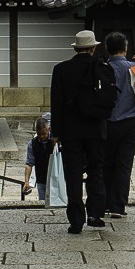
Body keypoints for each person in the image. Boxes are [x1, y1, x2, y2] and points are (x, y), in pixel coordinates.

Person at [50, 30, 113, 233]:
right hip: (96, 127)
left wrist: (56, 132)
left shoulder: (61, 69)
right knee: (96, 170)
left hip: (71, 130)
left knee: (73, 173)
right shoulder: (102, 67)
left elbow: (56, 103)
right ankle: (95, 214)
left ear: (76, 48)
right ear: (93, 48)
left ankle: (76, 220)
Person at [100, 31, 135, 218]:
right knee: (124, 165)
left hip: (107, 122)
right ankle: (118, 206)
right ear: (125, 48)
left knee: (106, 163)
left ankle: (105, 202)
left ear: (106, 49)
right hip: (130, 122)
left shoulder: (103, 69)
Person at [21, 114, 55, 202]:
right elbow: (29, 163)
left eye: (44, 134)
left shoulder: (55, 141)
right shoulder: (32, 144)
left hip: (56, 178)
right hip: (41, 178)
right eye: (39, 134)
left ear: (49, 129)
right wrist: (26, 181)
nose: (42, 137)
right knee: (43, 202)